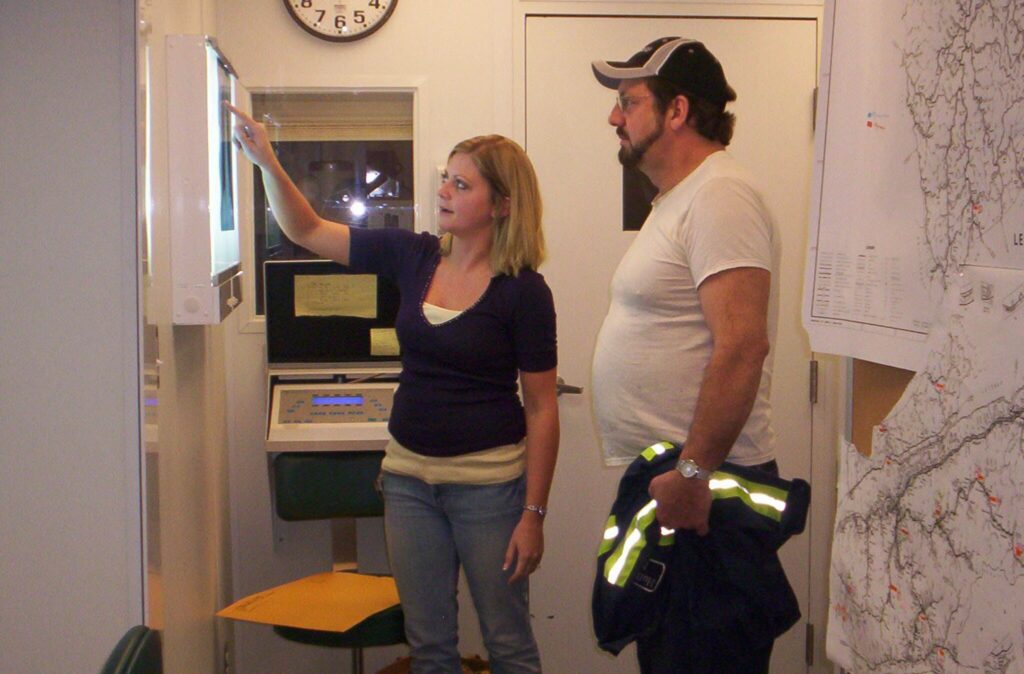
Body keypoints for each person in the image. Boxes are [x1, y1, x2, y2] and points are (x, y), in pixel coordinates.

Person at [228, 105, 559, 674]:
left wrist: (534, 514)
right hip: (408, 483)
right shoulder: (415, 254)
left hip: (488, 490)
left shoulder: (524, 292)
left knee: (508, 645)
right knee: (429, 647)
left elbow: (543, 409)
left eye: (462, 183)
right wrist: (265, 160)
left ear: (502, 204)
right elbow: (305, 229)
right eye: (445, 179)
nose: (445, 191)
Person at [590, 38, 782, 673]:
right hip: (679, 489)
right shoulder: (679, 199)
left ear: (677, 110)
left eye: (627, 102)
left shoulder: (720, 194)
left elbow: (742, 347)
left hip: (704, 499)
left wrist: (693, 476)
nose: (614, 118)